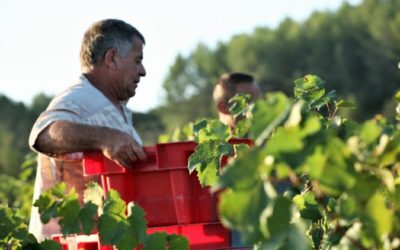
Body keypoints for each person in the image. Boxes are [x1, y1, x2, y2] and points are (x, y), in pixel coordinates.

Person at [28, 19, 147, 241]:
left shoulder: (115, 107)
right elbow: (43, 134)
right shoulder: (80, 99)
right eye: (137, 60)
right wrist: (105, 138)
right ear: (111, 58)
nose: (143, 71)